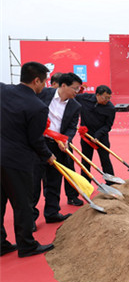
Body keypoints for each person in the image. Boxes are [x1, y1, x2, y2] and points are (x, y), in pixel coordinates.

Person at [1, 62, 56, 257]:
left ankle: (1, 243)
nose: (45, 86)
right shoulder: (37, 106)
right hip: (17, 161)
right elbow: (36, 140)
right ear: (36, 80)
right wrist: (48, 156)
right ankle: (26, 244)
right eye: (44, 81)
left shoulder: (3, 90)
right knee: (23, 203)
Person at [32, 73, 82, 228]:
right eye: (75, 88)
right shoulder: (42, 94)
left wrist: (65, 139)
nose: (77, 92)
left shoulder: (75, 106)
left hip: (57, 145)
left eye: (79, 89)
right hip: (38, 143)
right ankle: (30, 219)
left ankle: (52, 213)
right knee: (33, 182)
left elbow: (72, 127)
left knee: (54, 181)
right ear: (63, 85)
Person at [75, 85, 116, 182]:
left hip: (101, 137)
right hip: (86, 136)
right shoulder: (84, 99)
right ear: (97, 95)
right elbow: (71, 98)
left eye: (109, 98)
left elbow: (108, 126)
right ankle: (85, 183)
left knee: (105, 160)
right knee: (86, 160)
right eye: (105, 97)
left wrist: (97, 135)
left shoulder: (110, 108)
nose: (107, 100)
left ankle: (111, 183)